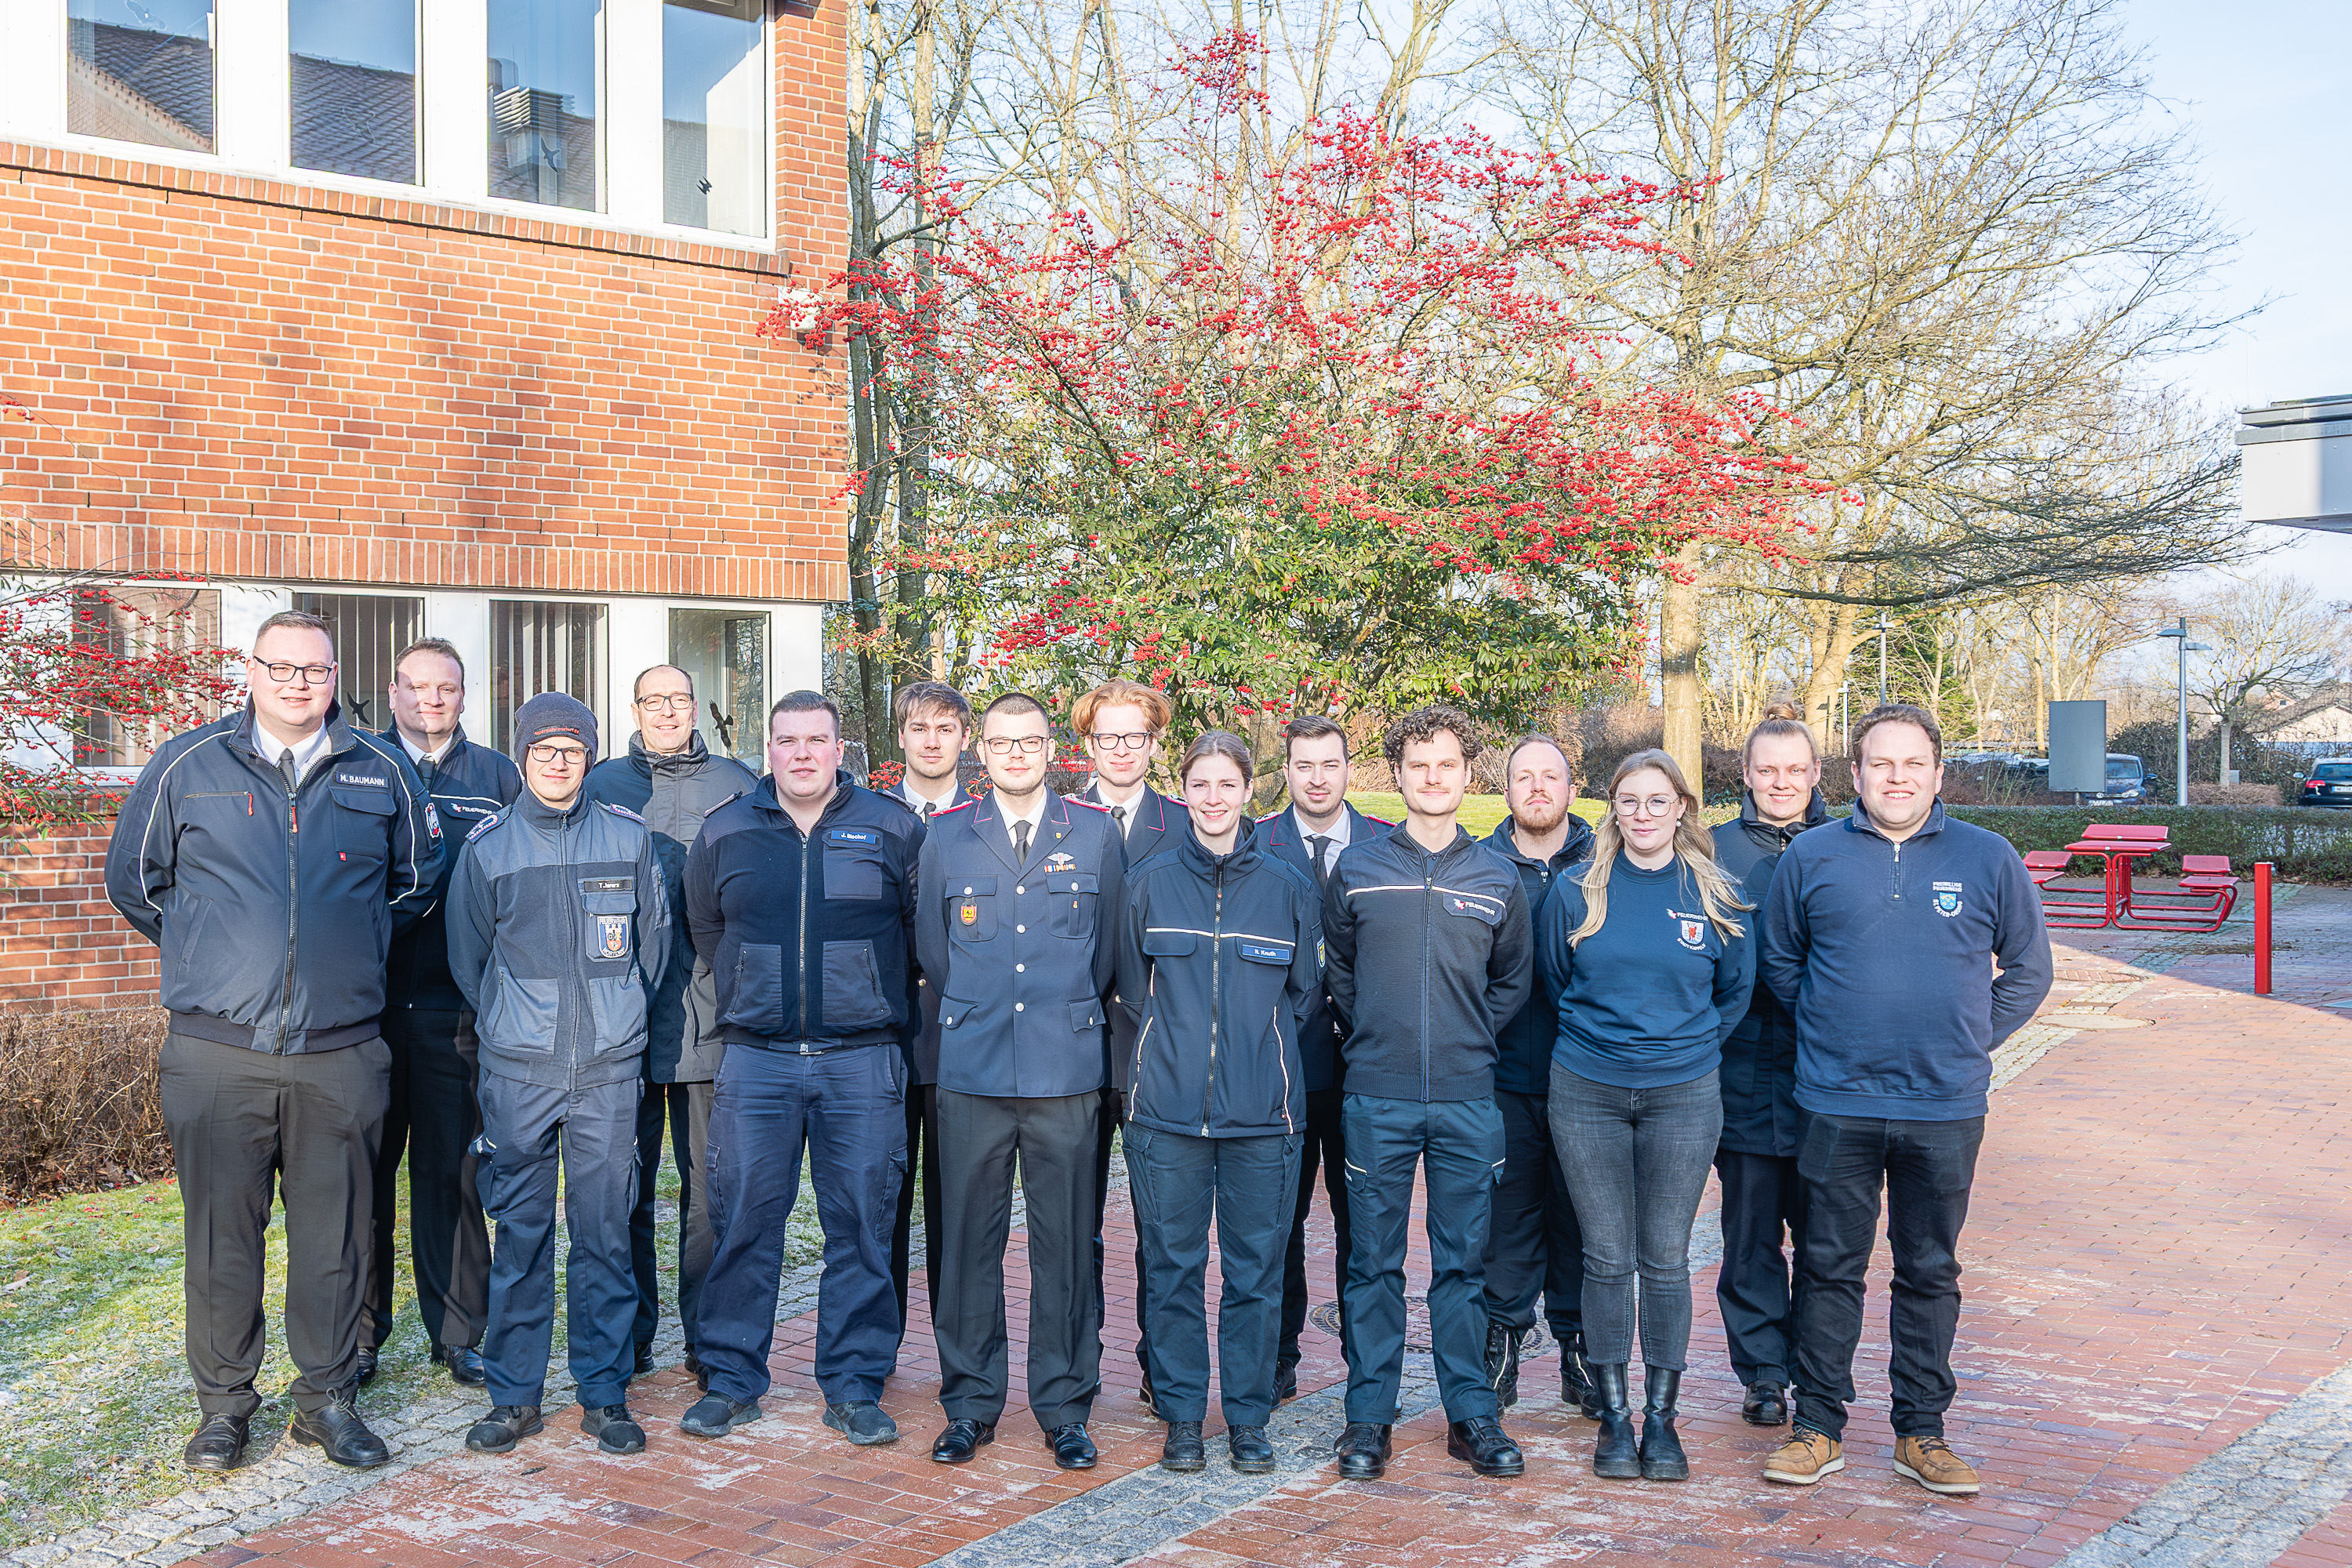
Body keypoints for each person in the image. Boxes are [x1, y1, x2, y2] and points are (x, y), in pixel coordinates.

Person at [106, 609, 442, 1474]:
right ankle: (224, 1407)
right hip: (220, 1052)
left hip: (341, 1050)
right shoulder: (188, 765)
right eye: (281, 667)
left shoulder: (379, 771)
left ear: (336, 676)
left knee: (337, 1234)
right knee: (224, 1233)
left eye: (316, 669)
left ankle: (326, 1399)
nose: (299, 682)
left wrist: (342, 960)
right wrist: (215, 956)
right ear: (250, 670)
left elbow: (411, 889)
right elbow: (134, 882)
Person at [1759, 704, 2052, 1497]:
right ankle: (1816, 1425)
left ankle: (1921, 1431)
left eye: (1912, 763)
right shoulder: (1812, 856)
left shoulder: (1988, 858)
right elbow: (1782, 964)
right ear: (1854, 774)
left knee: (1929, 1269)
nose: (1896, 776)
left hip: (1944, 1105)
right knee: (1827, 1266)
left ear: (1936, 772)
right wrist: (1833, 1029)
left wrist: (1963, 1039)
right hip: (1836, 1100)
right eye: (1880, 762)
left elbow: (2028, 970)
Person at [677, 691, 923, 1448]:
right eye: (788, 741)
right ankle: (731, 1378)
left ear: (840, 747)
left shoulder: (892, 827)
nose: (804, 754)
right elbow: (707, 929)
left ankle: (853, 1383)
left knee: (863, 1223)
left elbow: (919, 933)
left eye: (818, 740)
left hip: (863, 1060)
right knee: (742, 1219)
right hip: (757, 1061)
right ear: (768, 750)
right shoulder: (725, 830)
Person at [449, 693, 668, 1457]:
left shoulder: (628, 839)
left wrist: (615, 1021)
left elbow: (654, 950)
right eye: (543, 749)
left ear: (590, 756)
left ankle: (604, 1393)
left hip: (608, 1071)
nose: (558, 761)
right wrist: (518, 1026)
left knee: (606, 1233)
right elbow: (472, 964)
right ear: (521, 758)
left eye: (572, 749)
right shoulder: (488, 848)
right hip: (519, 1072)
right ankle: (515, 1396)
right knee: (523, 1234)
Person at [915, 692, 1127, 1471]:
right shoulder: (946, 836)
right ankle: (970, 1402)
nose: (1014, 753)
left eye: (1029, 741)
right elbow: (934, 952)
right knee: (967, 1241)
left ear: (1051, 750)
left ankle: (1065, 1404)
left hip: (1064, 1067)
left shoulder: (1097, 834)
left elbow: (1107, 954)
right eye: (1000, 742)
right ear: (983, 752)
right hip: (971, 1066)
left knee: (1066, 1243)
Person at [1323, 706, 1532, 1481]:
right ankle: (1367, 1418)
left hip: (1467, 1097)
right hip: (1376, 1094)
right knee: (1371, 1262)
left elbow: (1512, 981)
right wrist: (1371, 1028)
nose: (1434, 776)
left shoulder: (1496, 876)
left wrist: (1470, 1035)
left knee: (1463, 1263)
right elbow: (1339, 970)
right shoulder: (1359, 869)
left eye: (1446, 764)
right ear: (1400, 774)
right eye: (1419, 764)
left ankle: (1470, 1413)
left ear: (1466, 773)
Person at [1540, 750, 1754, 1483]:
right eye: (1629, 802)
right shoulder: (1575, 892)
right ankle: (1614, 1416)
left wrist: (1675, 1051)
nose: (1643, 815)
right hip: (1587, 1091)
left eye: (1657, 802)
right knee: (1605, 1255)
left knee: (1664, 1257)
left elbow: (1733, 995)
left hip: (1684, 1095)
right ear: (1613, 810)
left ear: (1682, 809)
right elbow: (1554, 983)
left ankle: (1661, 1421)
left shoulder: (1714, 894)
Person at [1113, 732, 1321, 1475]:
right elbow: (1129, 993)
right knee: (1170, 1269)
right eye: (1199, 785)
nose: (1212, 798)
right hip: (1165, 1118)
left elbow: (1303, 999)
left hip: (1263, 1121)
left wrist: (1255, 1067)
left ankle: (1247, 1416)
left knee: (1256, 1272)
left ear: (1247, 792)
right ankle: (1179, 1416)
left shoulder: (1290, 887)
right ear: (1185, 789)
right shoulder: (1148, 881)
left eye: (1226, 785)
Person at [581, 664, 759, 1387]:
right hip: (622, 1019)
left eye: (679, 700)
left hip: (714, 1020)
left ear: (696, 708)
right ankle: (629, 1337)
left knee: (710, 1193)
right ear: (635, 707)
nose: (666, 711)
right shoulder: (599, 785)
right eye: (652, 699)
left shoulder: (738, 784)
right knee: (623, 1188)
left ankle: (708, 1339)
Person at [365, 637, 520, 1392]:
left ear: (464, 696)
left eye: (447, 688)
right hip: (362, 1012)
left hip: (457, 1014)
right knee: (361, 1179)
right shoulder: (358, 764)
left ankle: (458, 1334)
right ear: (391, 692)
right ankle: (359, 1337)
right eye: (417, 687)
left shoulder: (498, 777)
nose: (431, 700)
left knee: (452, 1177)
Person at [1254, 714, 1389, 1403]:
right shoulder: (1255, 844)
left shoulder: (1387, 846)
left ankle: (1366, 1364)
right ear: (1287, 768)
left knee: (1362, 1225)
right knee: (1279, 1223)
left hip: (1365, 1069)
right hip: (1280, 1070)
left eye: (1329, 764)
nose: (1316, 778)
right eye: (1303, 765)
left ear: (1348, 768)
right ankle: (1277, 1358)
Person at [1708, 704, 1830, 1428]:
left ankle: (1815, 1369)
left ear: (1815, 774)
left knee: (1824, 1239)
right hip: (1744, 1070)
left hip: (1827, 1076)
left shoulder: (1851, 843)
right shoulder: (1713, 850)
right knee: (1749, 1236)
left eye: (1794, 770)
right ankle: (1762, 1372)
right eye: (1766, 771)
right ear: (1746, 775)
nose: (1780, 783)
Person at [1070, 678, 1187, 1410]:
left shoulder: (1183, 824)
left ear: (1153, 743)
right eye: (1108, 736)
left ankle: (1162, 1370)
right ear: (1087, 744)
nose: (1121, 749)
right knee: (1074, 1223)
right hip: (1074, 1048)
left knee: (1162, 1226)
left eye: (1134, 736)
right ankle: (1078, 1366)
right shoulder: (1062, 821)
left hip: (1156, 1049)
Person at [1479, 735, 1595, 1415]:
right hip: (1503, 1077)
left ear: (1571, 787)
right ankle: (1501, 1346)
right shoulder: (1481, 866)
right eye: (1524, 777)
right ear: (1508, 790)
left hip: (1588, 1077)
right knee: (1506, 1220)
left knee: (1580, 1221)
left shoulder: (1607, 863)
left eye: (1550, 776)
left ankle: (1580, 1349)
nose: (1538, 788)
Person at [884, 681, 974, 1344]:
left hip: (961, 1038)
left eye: (946, 728)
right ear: (902, 737)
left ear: (965, 739)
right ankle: (876, 1346)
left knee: (957, 1209)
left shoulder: (984, 819)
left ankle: (956, 1349)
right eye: (920, 728)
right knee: (881, 1203)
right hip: (883, 1038)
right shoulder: (872, 815)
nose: (933, 741)